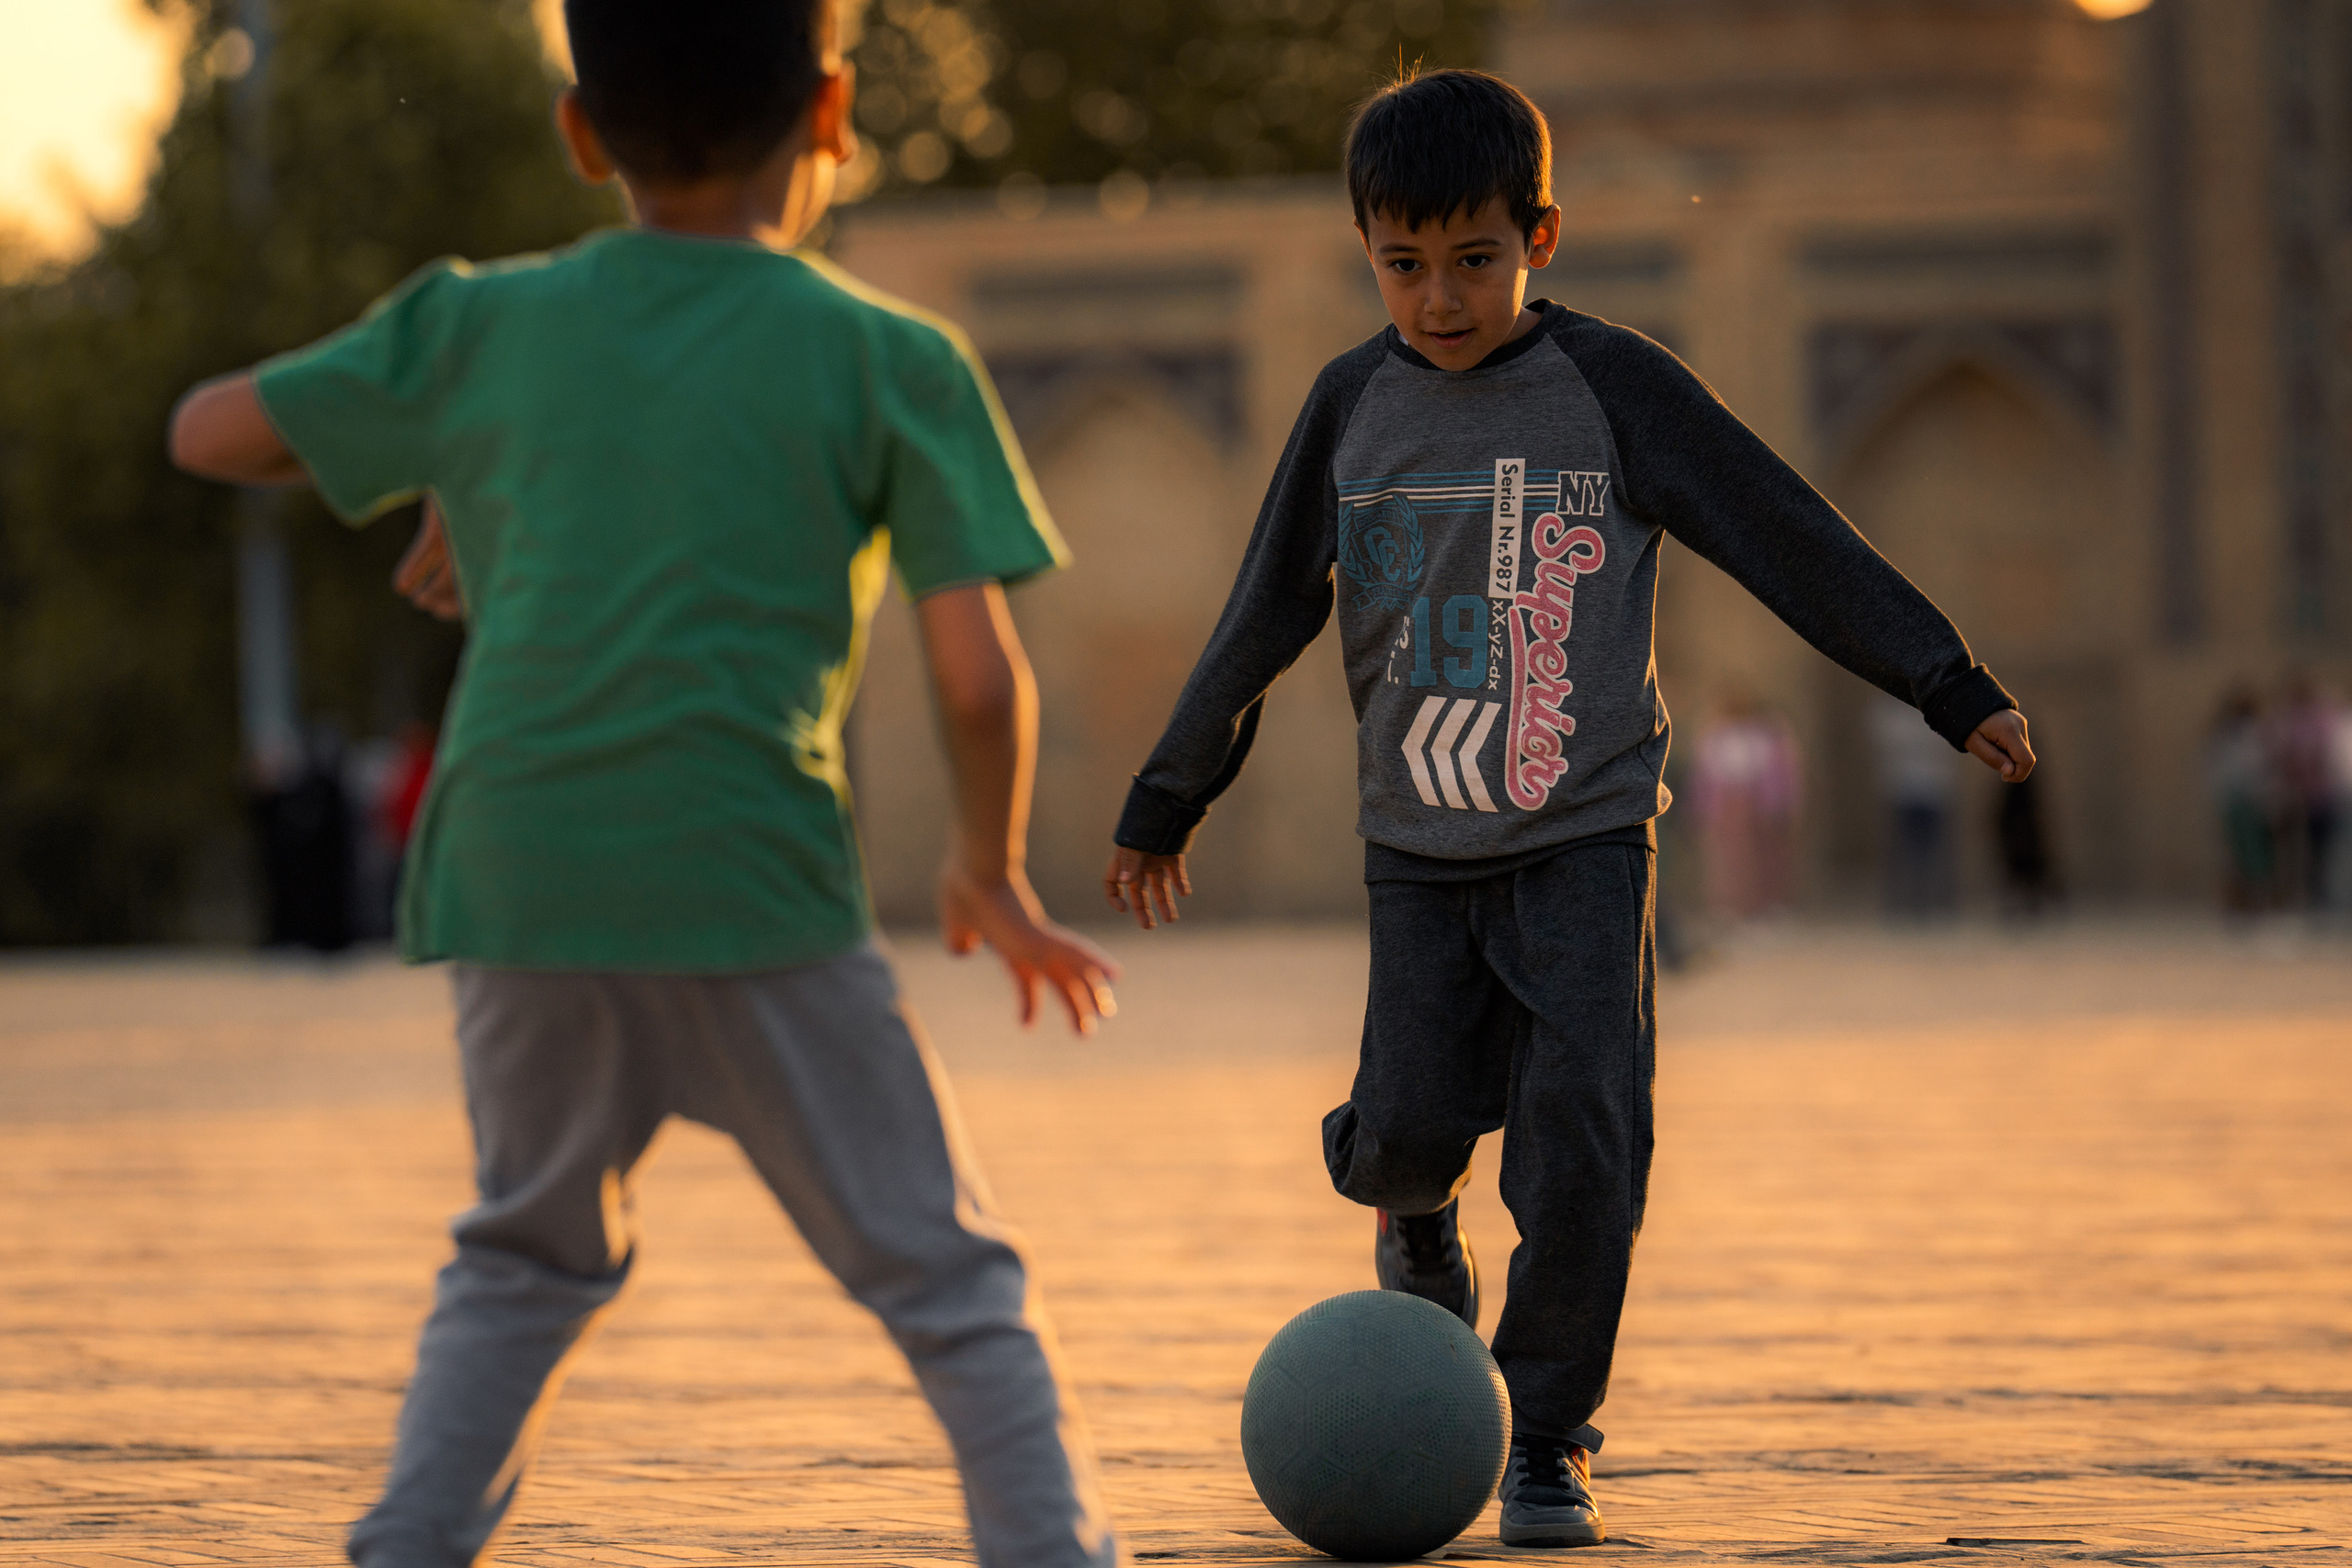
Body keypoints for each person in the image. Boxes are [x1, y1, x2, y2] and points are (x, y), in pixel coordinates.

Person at [164, 6, 1121, 1567]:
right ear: (831, 113)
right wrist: (987, 867)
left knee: (524, 1258)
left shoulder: (479, 326)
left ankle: (406, 1545)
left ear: (579, 129)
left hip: (516, 876)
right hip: (748, 882)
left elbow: (206, 431)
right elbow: (974, 676)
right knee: (946, 1277)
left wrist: (465, 448)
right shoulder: (889, 355)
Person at [1096, 69, 2035, 1550]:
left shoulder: (1613, 389)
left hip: (1586, 837)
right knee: (1404, 1127)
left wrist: (1943, 676)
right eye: (1404, 264)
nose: (1440, 298)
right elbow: (1265, 605)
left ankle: (1545, 1433)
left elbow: (1782, 528)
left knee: (1585, 1143)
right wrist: (1170, 789)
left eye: (1475, 259)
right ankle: (1416, 1213)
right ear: (1366, 253)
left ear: (1540, 236)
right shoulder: (1351, 404)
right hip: (1418, 843)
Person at [1687, 693, 1801, 921]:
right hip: (1727, 804)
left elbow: (1776, 775)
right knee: (1729, 858)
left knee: (1761, 856)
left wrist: (1778, 804)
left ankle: (1761, 905)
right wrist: (1700, 810)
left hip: (1753, 802)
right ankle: (1729, 906)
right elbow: (1705, 778)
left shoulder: (1763, 736)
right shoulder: (1716, 737)